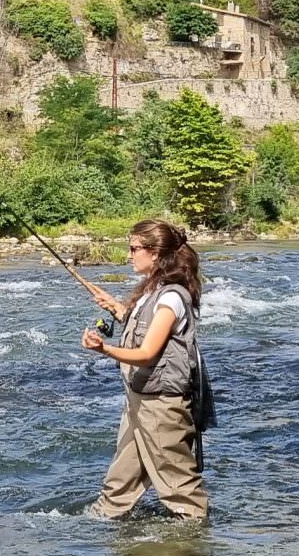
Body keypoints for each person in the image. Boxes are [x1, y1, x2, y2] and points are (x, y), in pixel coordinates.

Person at [80, 218, 207, 521]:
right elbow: (146, 328)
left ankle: (193, 546)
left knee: (180, 490)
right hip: (140, 400)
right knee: (120, 484)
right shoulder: (153, 292)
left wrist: (103, 349)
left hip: (163, 407)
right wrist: (115, 308)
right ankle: (98, 528)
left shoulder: (172, 297)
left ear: (155, 253)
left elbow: (148, 353)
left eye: (133, 248)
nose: (128, 254)